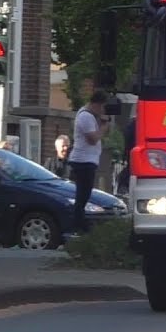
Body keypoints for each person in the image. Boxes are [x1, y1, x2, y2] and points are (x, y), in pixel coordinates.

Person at [68, 91, 111, 235]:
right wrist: (103, 127)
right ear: (97, 105)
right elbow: (92, 138)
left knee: (84, 195)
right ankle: (78, 226)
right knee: (83, 195)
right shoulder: (85, 116)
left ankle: (79, 224)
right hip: (83, 161)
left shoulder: (89, 115)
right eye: (102, 107)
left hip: (87, 160)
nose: (103, 110)